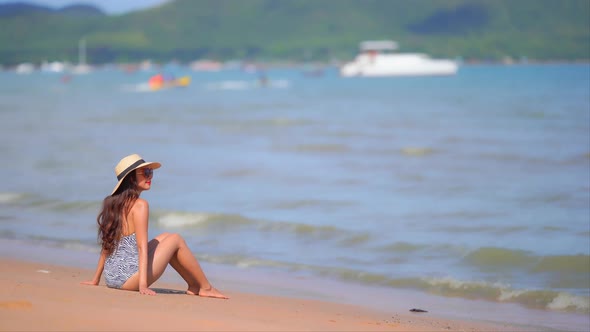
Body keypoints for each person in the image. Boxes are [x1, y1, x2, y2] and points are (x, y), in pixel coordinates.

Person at [81, 154, 228, 299]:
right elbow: (141, 247)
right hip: (128, 279)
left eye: (150, 172)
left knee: (165, 237)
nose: (150, 177)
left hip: (112, 277)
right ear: (131, 178)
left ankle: (194, 285)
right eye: (145, 172)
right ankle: (206, 287)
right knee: (175, 239)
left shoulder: (113, 204)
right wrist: (143, 285)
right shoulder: (140, 206)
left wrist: (96, 279)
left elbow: (107, 245)